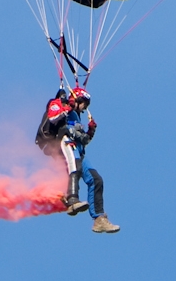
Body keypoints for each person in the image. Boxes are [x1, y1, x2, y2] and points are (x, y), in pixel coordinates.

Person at [34, 85, 120, 233]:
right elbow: (53, 117)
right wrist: (66, 107)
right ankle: (72, 199)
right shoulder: (58, 104)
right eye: (83, 103)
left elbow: (84, 140)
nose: (84, 108)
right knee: (76, 167)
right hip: (64, 142)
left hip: (79, 149)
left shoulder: (77, 117)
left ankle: (99, 219)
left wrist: (91, 131)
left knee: (96, 179)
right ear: (76, 99)